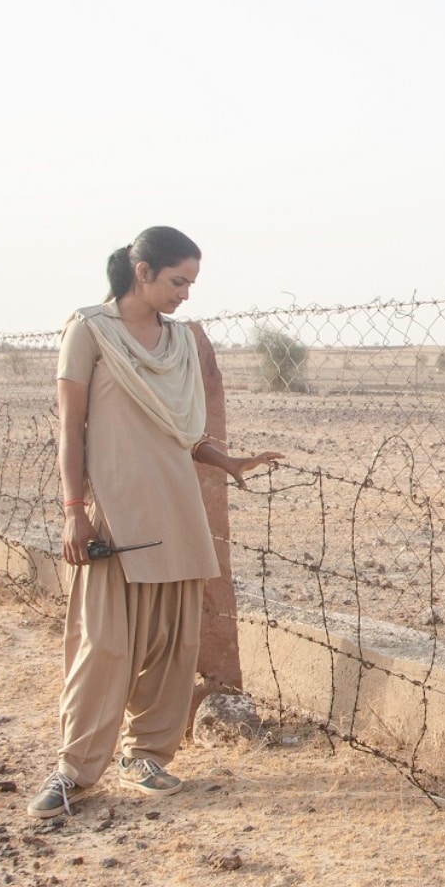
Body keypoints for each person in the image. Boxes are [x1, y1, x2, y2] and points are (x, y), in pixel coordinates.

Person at [26, 227, 282, 817]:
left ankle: (148, 757)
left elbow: (184, 433)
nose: (185, 295)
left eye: (191, 283)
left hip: (177, 508)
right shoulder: (89, 331)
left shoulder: (181, 342)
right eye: (177, 281)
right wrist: (72, 512)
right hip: (114, 513)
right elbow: (70, 428)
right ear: (142, 272)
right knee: (105, 646)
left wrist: (228, 459)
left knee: (172, 643)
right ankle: (74, 769)